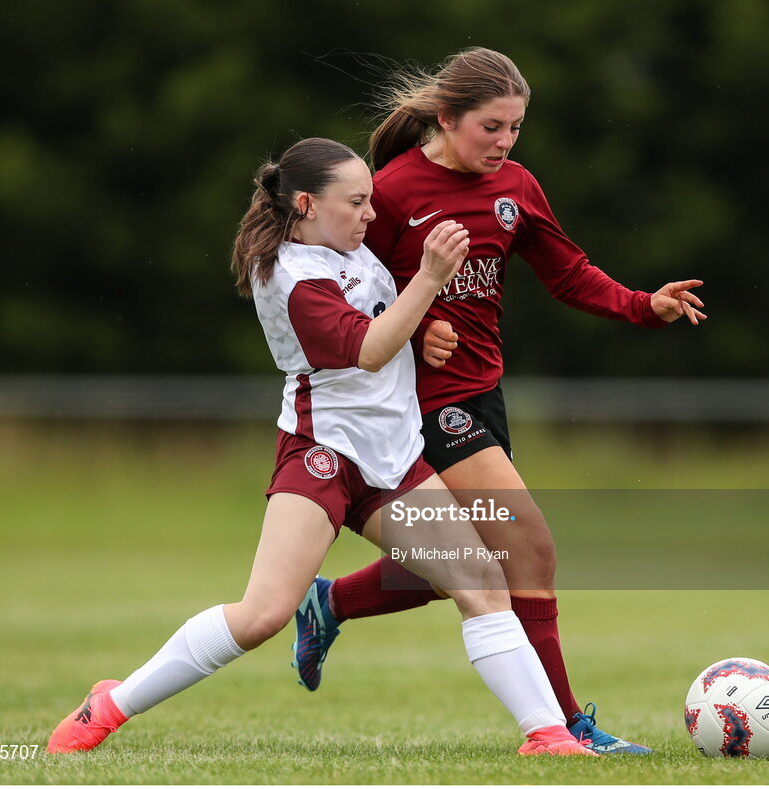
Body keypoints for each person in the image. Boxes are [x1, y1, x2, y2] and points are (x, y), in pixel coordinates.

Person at [45, 137, 599, 757]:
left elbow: (388, 329)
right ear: (306, 203)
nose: (371, 214)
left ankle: (547, 736)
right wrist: (430, 281)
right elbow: (366, 349)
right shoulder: (290, 275)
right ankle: (110, 704)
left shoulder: (352, 254)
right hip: (324, 457)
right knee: (262, 615)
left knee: (481, 583)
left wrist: (426, 332)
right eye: (357, 202)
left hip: (395, 458)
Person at [291, 49, 707, 755]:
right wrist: (421, 325)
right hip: (423, 407)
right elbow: (349, 291)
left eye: (516, 127)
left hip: (483, 396)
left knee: (455, 563)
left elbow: (568, 272)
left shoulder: (515, 185)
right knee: (529, 549)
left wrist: (644, 304)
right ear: (446, 118)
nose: (506, 142)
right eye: (492, 126)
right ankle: (567, 726)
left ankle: (329, 602)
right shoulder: (390, 191)